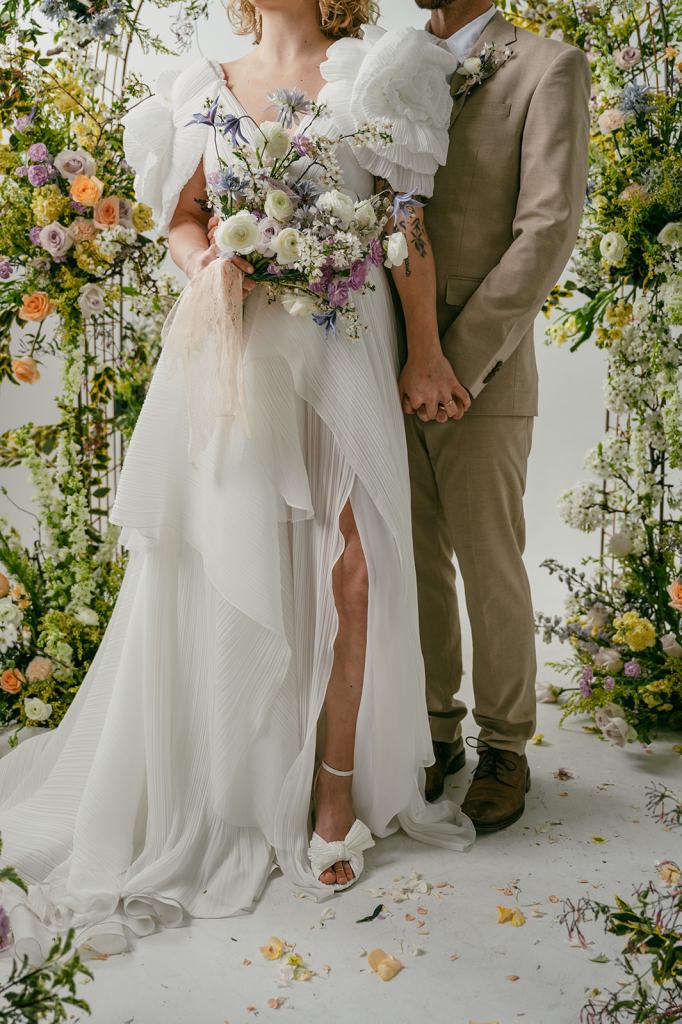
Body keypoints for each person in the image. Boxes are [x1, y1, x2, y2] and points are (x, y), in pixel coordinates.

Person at [0, 0, 475, 964]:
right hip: (233, 358)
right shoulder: (200, 88)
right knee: (234, 562)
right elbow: (179, 221)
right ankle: (238, 786)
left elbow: (404, 230)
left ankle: (334, 792)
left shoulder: (380, 71)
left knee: (354, 567)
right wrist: (212, 265)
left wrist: (425, 352)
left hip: (344, 350)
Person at [400, 0, 591, 831]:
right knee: (411, 561)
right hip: (384, 358)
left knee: (489, 562)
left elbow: (547, 230)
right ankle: (433, 731)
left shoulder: (547, 66)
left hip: (482, 368)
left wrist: (455, 358)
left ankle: (506, 744)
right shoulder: (393, 60)